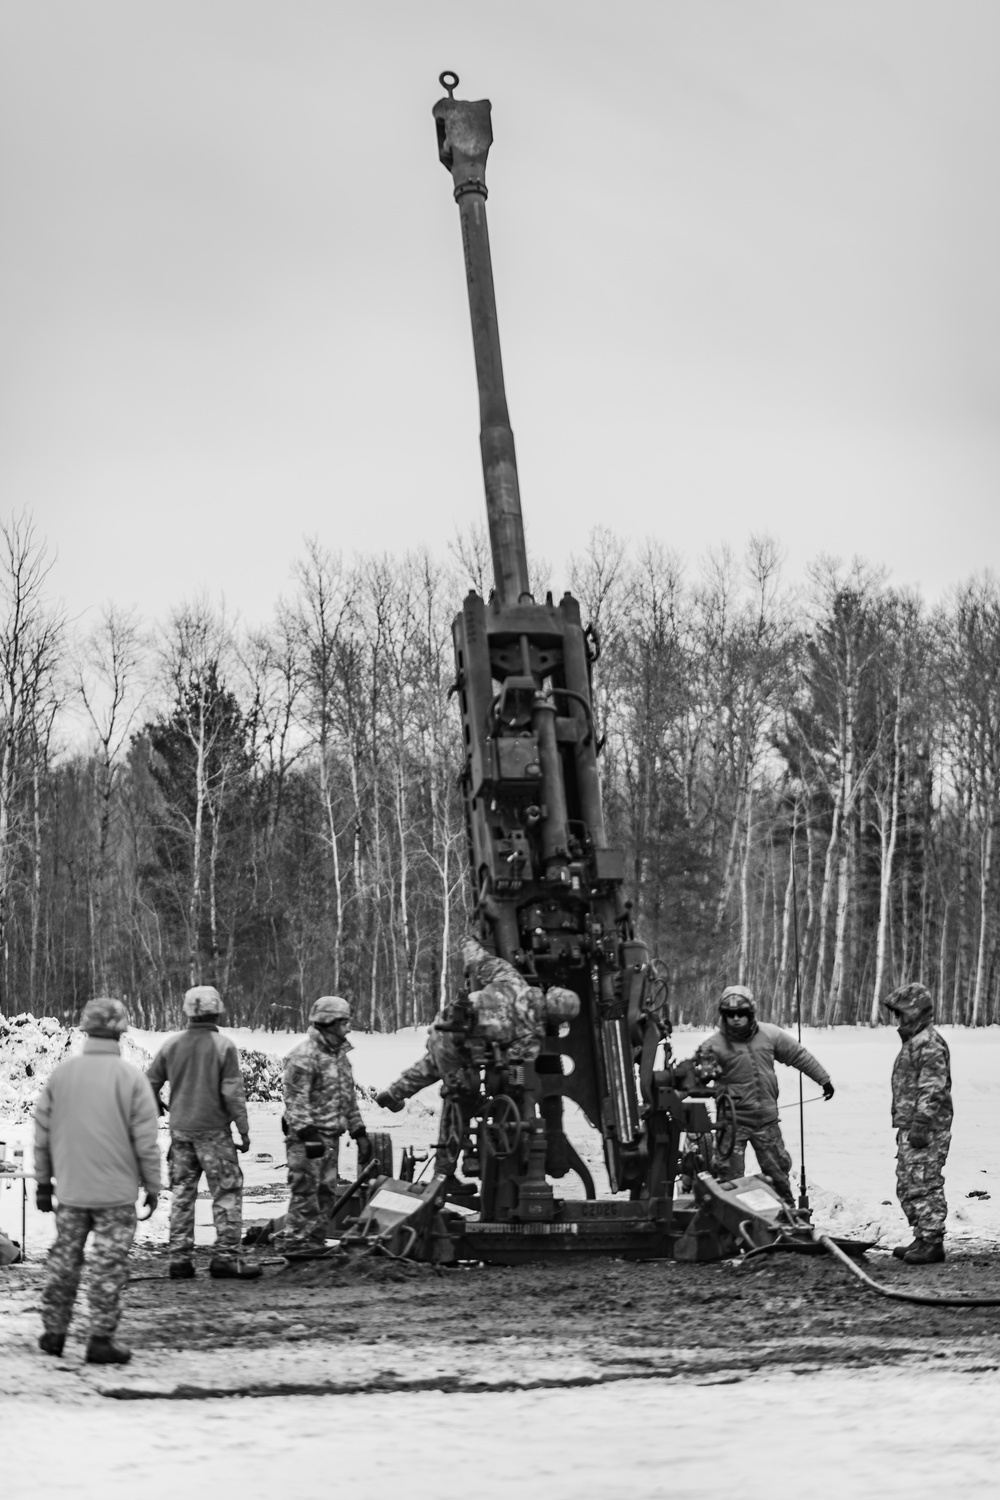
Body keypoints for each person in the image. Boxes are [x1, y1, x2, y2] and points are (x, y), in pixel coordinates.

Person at [33, 997, 161, 1365]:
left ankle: (54, 1333)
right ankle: (100, 1340)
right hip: (116, 1198)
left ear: (85, 1029)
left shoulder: (62, 1075)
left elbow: (42, 1133)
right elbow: (146, 1141)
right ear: (121, 1031)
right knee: (108, 1268)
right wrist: (152, 1186)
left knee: (64, 1262)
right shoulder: (132, 1078)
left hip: (72, 1192)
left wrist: (44, 1182)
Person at [375, 935, 580, 1113]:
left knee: (430, 1066)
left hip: (444, 1024)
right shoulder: (530, 1038)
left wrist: (467, 942)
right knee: (458, 1105)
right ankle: (445, 1158)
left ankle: (393, 1095)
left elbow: (478, 960)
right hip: (460, 1050)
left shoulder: (512, 979)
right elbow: (512, 1068)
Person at [146, 985, 260, 1281]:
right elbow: (233, 1092)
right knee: (227, 1193)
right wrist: (243, 1130)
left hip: (181, 1134)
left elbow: (149, 1082)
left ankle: (180, 1261)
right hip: (215, 1134)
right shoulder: (224, 1046)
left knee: (182, 1195)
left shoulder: (172, 1045)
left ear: (187, 1012)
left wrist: (157, 1106)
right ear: (218, 1010)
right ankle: (225, 1259)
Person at [694, 985, 834, 1205]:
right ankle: (728, 1222)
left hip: (766, 1121)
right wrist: (701, 1074)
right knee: (728, 1178)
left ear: (751, 1014)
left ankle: (788, 1214)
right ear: (724, 1016)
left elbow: (799, 1055)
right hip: (732, 1124)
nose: (736, 1019)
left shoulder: (770, 1034)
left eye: (742, 1014)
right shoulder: (713, 1045)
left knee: (778, 1173)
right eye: (730, 1015)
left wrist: (823, 1079)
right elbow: (696, 1078)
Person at [278, 996, 372, 1260]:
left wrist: (359, 1132)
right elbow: (294, 1098)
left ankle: (315, 1247)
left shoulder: (340, 1057)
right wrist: (307, 1134)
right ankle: (296, 1246)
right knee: (305, 1194)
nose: (349, 1028)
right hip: (307, 1141)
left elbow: (348, 1099)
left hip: (331, 1138)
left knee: (326, 1195)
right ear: (329, 1022)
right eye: (344, 1022)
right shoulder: (304, 1055)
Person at [883, 982, 953, 1265]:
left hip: (927, 1129)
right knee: (908, 1183)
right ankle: (922, 1235)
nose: (897, 1020)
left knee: (925, 1183)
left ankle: (933, 1242)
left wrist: (922, 1123)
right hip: (911, 1126)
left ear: (916, 1013)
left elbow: (933, 1088)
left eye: (901, 1014)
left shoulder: (929, 1044)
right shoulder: (915, 1042)